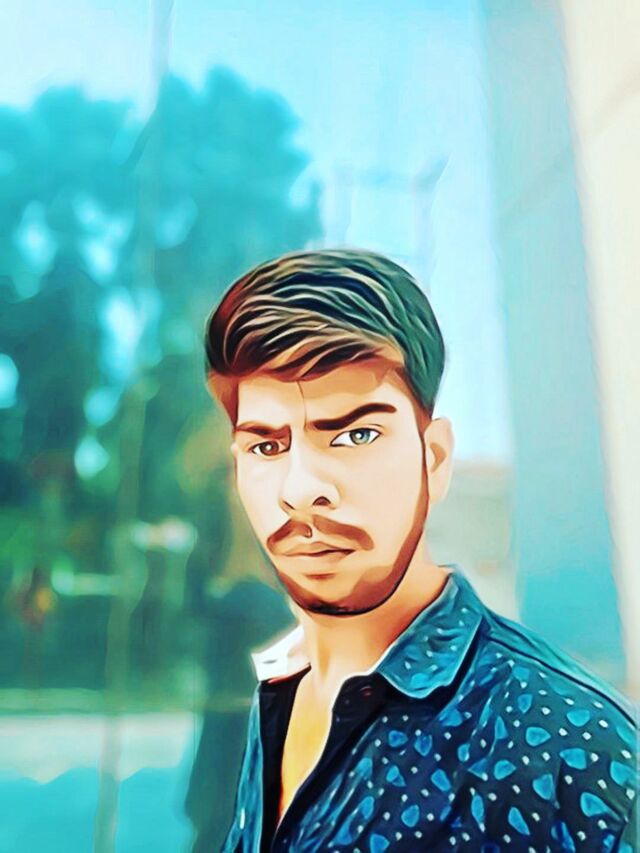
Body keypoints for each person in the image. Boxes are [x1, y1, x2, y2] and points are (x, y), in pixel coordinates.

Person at [203, 249, 637, 852]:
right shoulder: (285, 690)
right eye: (266, 447)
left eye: (355, 434)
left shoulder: (571, 746)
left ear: (433, 459)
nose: (301, 491)